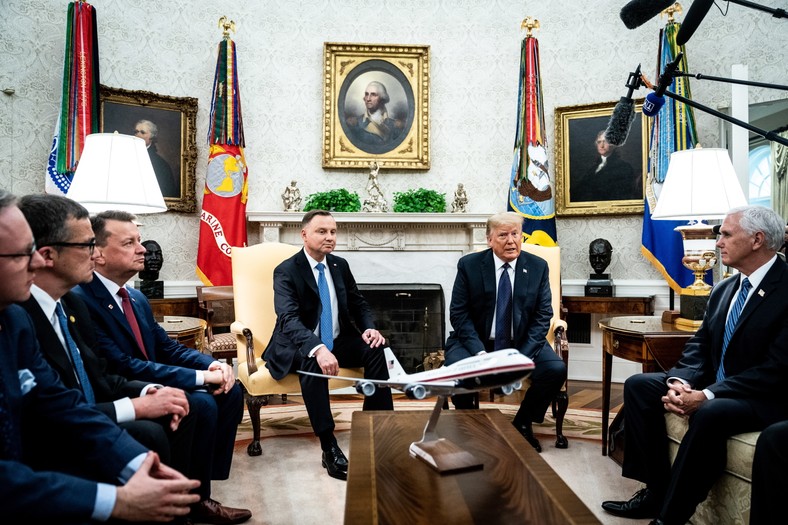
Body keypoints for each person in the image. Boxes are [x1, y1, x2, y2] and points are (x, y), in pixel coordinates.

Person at [0, 189, 201, 522]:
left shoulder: (14, 319)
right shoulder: (27, 312)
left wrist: (137, 464)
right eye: (23, 253)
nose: (35, 261)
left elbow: (59, 402)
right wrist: (115, 500)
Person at [601, 205, 788, 525]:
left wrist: (707, 395)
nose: (717, 242)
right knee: (640, 386)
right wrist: (679, 382)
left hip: (765, 395)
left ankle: (669, 518)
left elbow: (775, 369)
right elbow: (699, 348)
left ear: (757, 240)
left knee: (711, 412)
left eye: (726, 234)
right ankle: (654, 492)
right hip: (719, 385)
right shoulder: (726, 288)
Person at [74, 210, 251, 525]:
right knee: (201, 403)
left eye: (139, 241)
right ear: (98, 253)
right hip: (125, 385)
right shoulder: (82, 299)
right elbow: (123, 364)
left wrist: (212, 364)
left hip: (150, 376)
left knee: (229, 390)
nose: (142, 249)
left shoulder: (137, 297)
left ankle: (200, 492)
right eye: (130, 243)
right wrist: (200, 376)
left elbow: (167, 348)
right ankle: (185, 503)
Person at [264, 209, 394, 480]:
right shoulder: (286, 270)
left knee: (375, 348)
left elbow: (359, 303)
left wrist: (369, 328)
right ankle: (328, 446)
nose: (329, 237)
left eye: (333, 232)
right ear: (304, 234)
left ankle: (376, 428)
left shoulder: (339, 265)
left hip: (336, 339)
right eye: (322, 231)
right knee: (313, 362)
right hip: (297, 344)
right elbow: (288, 319)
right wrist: (317, 348)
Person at [443, 211, 567, 453]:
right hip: (477, 342)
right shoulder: (469, 265)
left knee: (555, 369)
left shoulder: (538, 267)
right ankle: (471, 424)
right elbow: (459, 314)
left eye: (515, 234)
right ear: (489, 240)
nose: (511, 241)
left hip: (521, 343)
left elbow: (543, 317)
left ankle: (523, 422)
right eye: (503, 235)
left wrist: (521, 356)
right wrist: (479, 353)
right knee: (456, 369)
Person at [571, 131, 638, 202]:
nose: (601, 145)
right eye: (599, 142)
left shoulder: (624, 167)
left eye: (605, 142)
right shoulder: (593, 168)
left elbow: (621, 195)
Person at [345, 80, 404, 150]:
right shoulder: (354, 124)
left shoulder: (395, 126)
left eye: (373, 95)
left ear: (382, 98)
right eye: (366, 94)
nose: (368, 99)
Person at [134, 119, 178, 198]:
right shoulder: (127, 155)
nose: (137, 135)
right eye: (136, 132)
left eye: (142, 132)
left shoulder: (161, 164)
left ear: (152, 137)